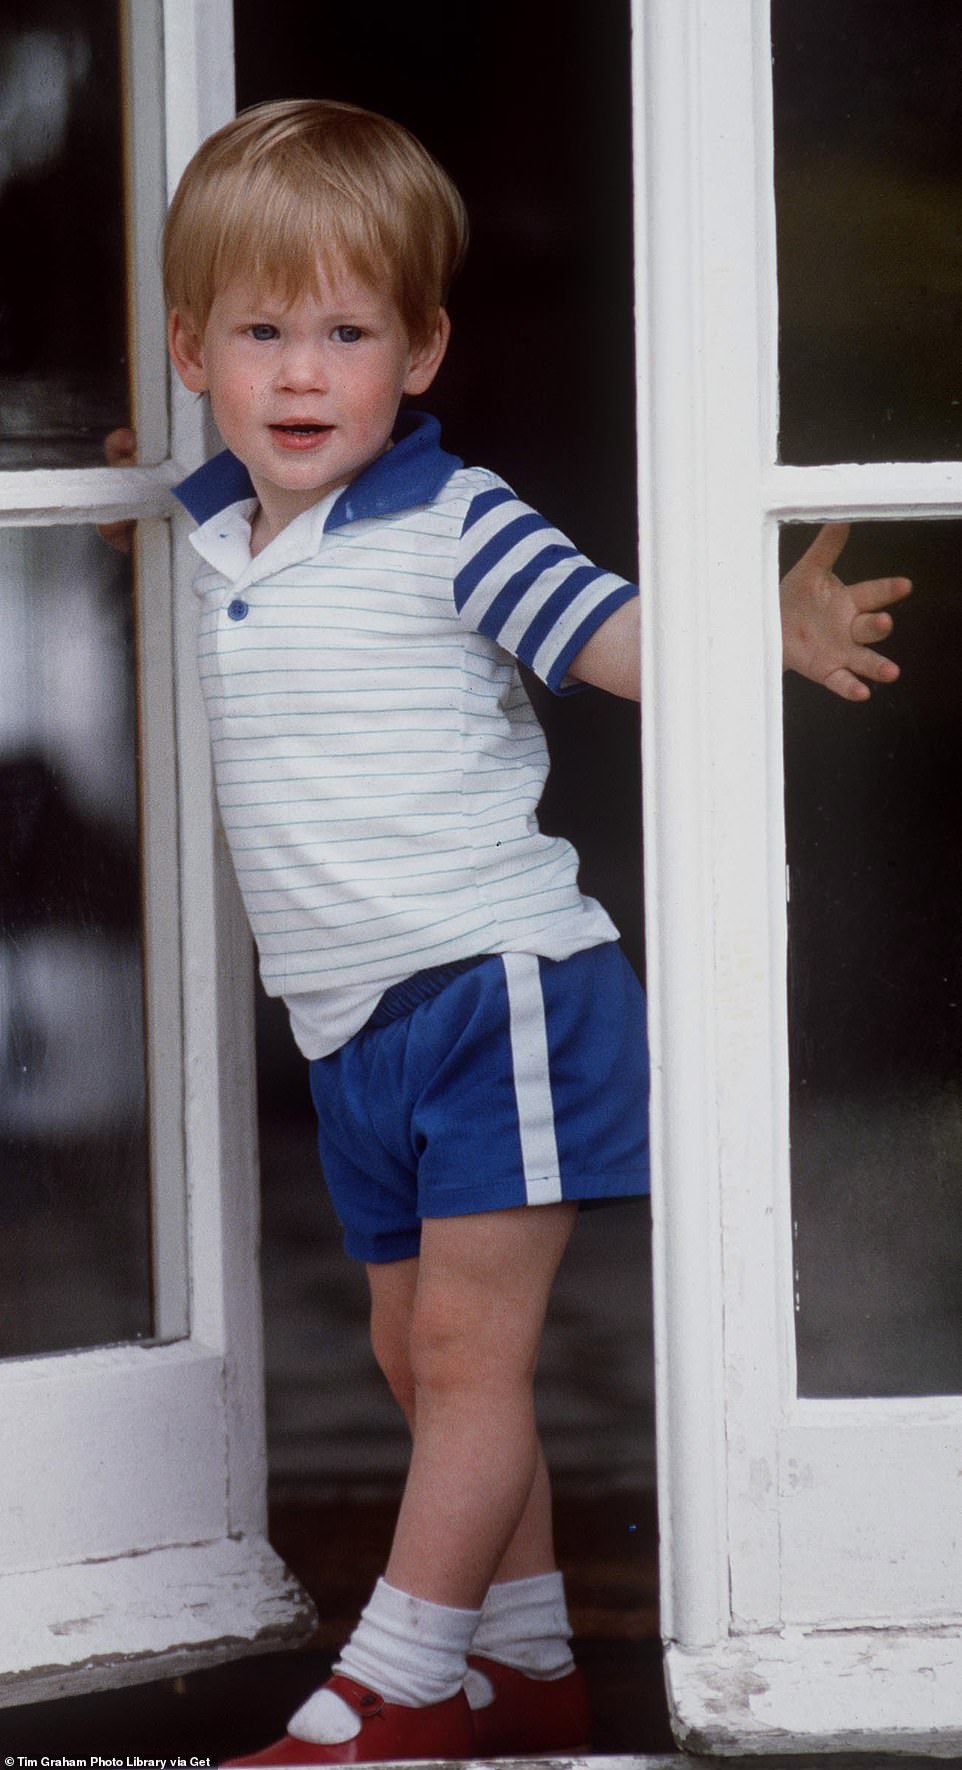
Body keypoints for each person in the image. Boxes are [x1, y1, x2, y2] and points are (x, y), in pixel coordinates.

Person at [151, 99, 911, 1766]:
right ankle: (524, 1661)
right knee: (406, 1348)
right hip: (351, 1017)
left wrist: (756, 623)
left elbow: (619, 641)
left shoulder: (456, 519)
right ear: (189, 343)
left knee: (462, 1347)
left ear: (420, 351)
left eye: (345, 333)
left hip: (499, 986)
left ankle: (397, 1683)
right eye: (263, 332)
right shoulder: (212, 532)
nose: (299, 375)